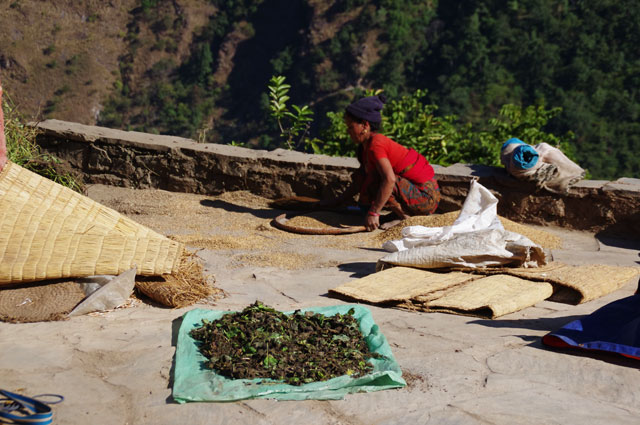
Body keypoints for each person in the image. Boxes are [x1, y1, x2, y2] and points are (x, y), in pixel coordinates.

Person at [320, 94, 440, 231]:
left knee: (379, 181)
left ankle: (406, 219)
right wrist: (336, 202)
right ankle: (401, 215)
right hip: (416, 194)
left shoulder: (376, 145)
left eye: (351, 127)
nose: (348, 132)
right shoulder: (364, 147)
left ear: (365, 125)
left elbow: (389, 180)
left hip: (426, 197)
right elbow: (360, 180)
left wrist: (374, 212)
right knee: (366, 177)